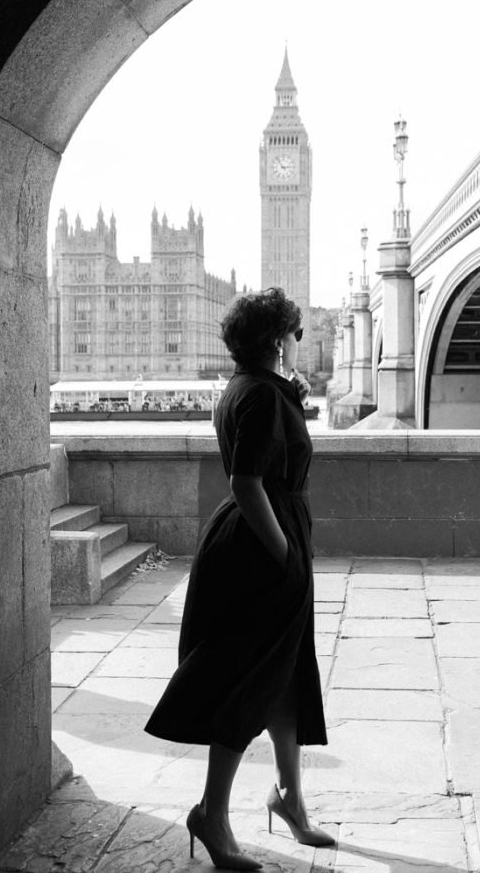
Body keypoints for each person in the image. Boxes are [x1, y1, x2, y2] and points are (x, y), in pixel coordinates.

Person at [145, 287, 332, 870]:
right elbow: (246, 483)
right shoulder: (262, 397)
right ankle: (212, 813)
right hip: (261, 546)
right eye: (293, 334)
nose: (297, 342)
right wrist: (283, 556)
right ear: (277, 340)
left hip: (263, 538)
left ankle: (290, 800)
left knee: (287, 672)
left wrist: (291, 388)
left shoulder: (249, 390)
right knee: (248, 679)